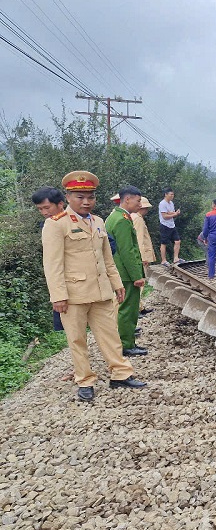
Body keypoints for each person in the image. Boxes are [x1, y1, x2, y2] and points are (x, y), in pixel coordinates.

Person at [41, 171, 146, 402]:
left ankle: (120, 373)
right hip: (73, 295)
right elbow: (52, 265)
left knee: (110, 335)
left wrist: (117, 283)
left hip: (100, 291)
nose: (86, 201)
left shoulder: (98, 221)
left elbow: (107, 257)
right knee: (77, 340)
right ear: (67, 197)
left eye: (90, 196)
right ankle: (85, 380)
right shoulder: (55, 224)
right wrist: (58, 296)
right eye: (80, 196)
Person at [106, 186, 148, 356]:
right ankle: (126, 344)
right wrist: (137, 276)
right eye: (138, 201)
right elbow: (127, 251)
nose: (140, 204)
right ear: (128, 199)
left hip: (120, 272)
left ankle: (125, 342)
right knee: (128, 310)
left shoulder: (114, 216)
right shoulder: (122, 219)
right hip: (125, 274)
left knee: (124, 308)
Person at [31, 187, 66, 335]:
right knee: (73, 333)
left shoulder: (79, 220)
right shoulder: (47, 226)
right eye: (40, 209)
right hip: (62, 283)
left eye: (47, 207)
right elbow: (51, 263)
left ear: (60, 204)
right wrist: (57, 295)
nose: (44, 212)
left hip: (87, 281)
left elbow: (109, 245)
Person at [132, 196, 156, 316]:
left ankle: (140, 307)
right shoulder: (138, 219)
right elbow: (138, 239)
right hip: (142, 256)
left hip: (140, 256)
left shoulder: (135, 217)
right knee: (140, 283)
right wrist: (143, 258)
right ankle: (137, 309)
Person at [158, 188, 184, 266]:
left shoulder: (171, 203)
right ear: (166, 194)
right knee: (164, 243)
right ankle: (163, 260)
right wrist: (175, 214)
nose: (172, 196)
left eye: (173, 194)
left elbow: (170, 212)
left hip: (172, 225)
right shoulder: (162, 203)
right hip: (165, 225)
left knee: (177, 241)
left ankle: (176, 258)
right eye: (171, 194)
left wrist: (175, 213)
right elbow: (165, 216)